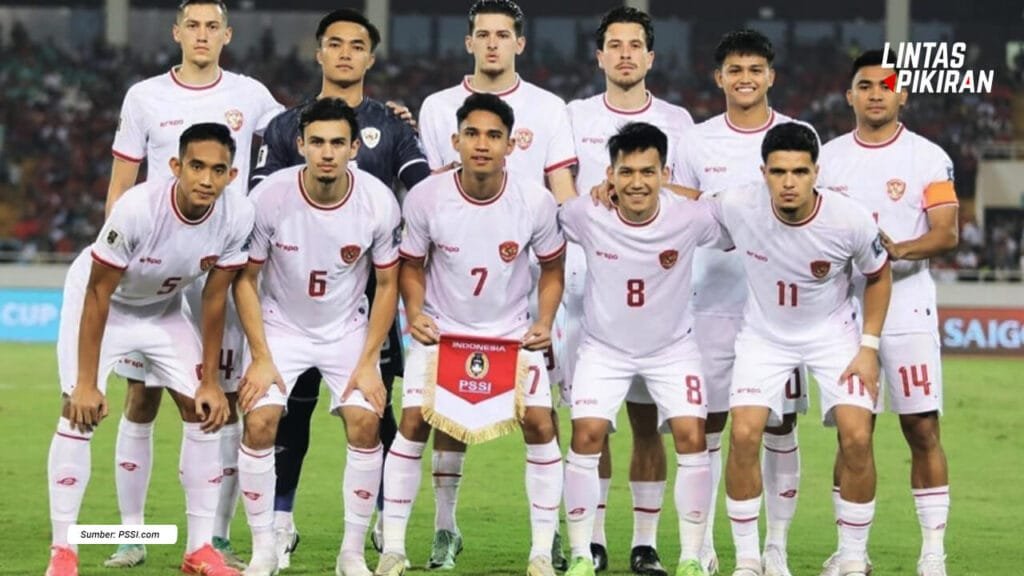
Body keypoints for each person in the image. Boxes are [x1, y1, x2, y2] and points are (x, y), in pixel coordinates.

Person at [248, 8, 430, 568]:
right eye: (335, 43)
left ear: (370, 57)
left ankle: (378, 530)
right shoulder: (284, 126)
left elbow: (424, 193)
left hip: (362, 302)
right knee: (284, 414)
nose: (345, 53)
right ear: (319, 52)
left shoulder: (393, 125)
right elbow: (259, 217)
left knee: (375, 411)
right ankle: (277, 525)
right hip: (287, 295)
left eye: (357, 45)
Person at [104, 1, 282, 568]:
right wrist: (120, 258)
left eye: (212, 26)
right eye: (193, 25)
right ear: (176, 32)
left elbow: (305, 134)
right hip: (155, 270)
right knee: (141, 397)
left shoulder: (252, 96)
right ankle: (131, 536)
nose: (202, 35)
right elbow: (122, 185)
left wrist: (376, 118)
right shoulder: (144, 97)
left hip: (221, 265)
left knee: (218, 400)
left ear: (227, 35)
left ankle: (214, 538)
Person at [45, 123, 255, 576]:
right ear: (176, 166)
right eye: (196, 166)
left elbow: (214, 297)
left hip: (162, 309)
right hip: (104, 303)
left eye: (218, 170)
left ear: (232, 175)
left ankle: (199, 550)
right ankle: (63, 552)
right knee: (77, 411)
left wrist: (210, 381)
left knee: (204, 409)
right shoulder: (138, 208)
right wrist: (86, 383)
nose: (206, 179)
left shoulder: (238, 215)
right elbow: (98, 292)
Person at [374, 93, 566, 576]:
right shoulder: (427, 197)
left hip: (509, 334)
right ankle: (394, 548)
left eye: (494, 136)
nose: (482, 144)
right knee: (414, 421)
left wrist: (544, 321)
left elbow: (552, 268)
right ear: (456, 140)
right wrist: (414, 311)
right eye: (473, 134)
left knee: (541, 423)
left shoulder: (535, 201)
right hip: (444, 331)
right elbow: (411, 264)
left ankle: (542, 552)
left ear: (510, 145)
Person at [416, 0, 577, 568]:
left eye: (502, 35)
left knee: (542, 414)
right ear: (468, 43)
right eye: (482, 34)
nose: (492, 43)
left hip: (529, 283)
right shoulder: (437, 107)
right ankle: (445, 527)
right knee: (447, 409)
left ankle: (550, 535)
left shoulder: (548, 108)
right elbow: (434, 191)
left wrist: (596, 232)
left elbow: (562, 187)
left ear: (519, 44)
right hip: (456, 281)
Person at [712, 122, 891, 576]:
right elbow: (685, 205)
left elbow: (878, 276)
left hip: (833, 335)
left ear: (816, 173)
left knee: (857, 435)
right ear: (763, 173)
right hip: (764, 336)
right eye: (778, 172)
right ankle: (749, 560)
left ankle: (852, 556)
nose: (788, 182)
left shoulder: (849, 219)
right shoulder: (737, 204)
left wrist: (868, 347)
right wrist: (614, 189)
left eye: (799, 172)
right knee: (744, 434)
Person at [233, 98, 401, 576]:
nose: (327, 152)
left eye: (338, 143)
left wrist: (368, 361)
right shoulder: (269, 197)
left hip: (346, 329)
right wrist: (260, 356)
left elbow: (388, 284)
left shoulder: (377, 201)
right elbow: (246, 279)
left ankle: (351, 554)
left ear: (354, 148)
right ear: (301, 144)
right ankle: (264, 550)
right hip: (280, 326)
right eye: (318, 142)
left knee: (365, 422)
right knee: (260, 421)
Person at [670, 29, 811, 576]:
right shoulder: (696, 141)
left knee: (779, 426)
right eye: (735, 70)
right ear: (719, 78)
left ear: (771, 75)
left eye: (755, 69)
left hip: (778, 308)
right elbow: (681, 212)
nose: (745, 78)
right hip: (708, 299)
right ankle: (703, 545)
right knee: (706, 424)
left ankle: (776, 547)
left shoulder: (796, 135)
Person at [560, 122, 727, 576]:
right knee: (586, 435)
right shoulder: (585, 213)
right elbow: (549, 228)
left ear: (665, 173)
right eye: (626, 172)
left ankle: (690, 557)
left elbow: (735, 220)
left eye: (648, 172)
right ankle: (581, 553)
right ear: (610, 175)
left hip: (671, 349)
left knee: (692, 437)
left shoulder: (689, 216)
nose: (637, 183)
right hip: (604, 348)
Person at [816, 49, 959, 576]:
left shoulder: (927, 157)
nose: (876, 94)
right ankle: (850, 552)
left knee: (921, 427)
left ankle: (933, 553)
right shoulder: (827, 158)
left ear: (903, 96)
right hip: (844, 311)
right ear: (849, 96)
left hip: (907, 307)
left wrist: (896, 250)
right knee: (852, 433)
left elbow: (947, 232)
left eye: (886, 85)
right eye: (865, 86)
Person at [566, 8, 694, 574]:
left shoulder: (678, 121)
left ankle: (645, 543)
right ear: (599, 56)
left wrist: (643, 191)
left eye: (634, 45)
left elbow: (689, 195)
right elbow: (559, 188)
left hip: (658, 294)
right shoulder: (573, 116)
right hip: (587, 290)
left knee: (647, 424)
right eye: (614, 45)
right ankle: (591, 542)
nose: (624, 54)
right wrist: (592, 201)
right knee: (592, 426)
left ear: (650, 56)